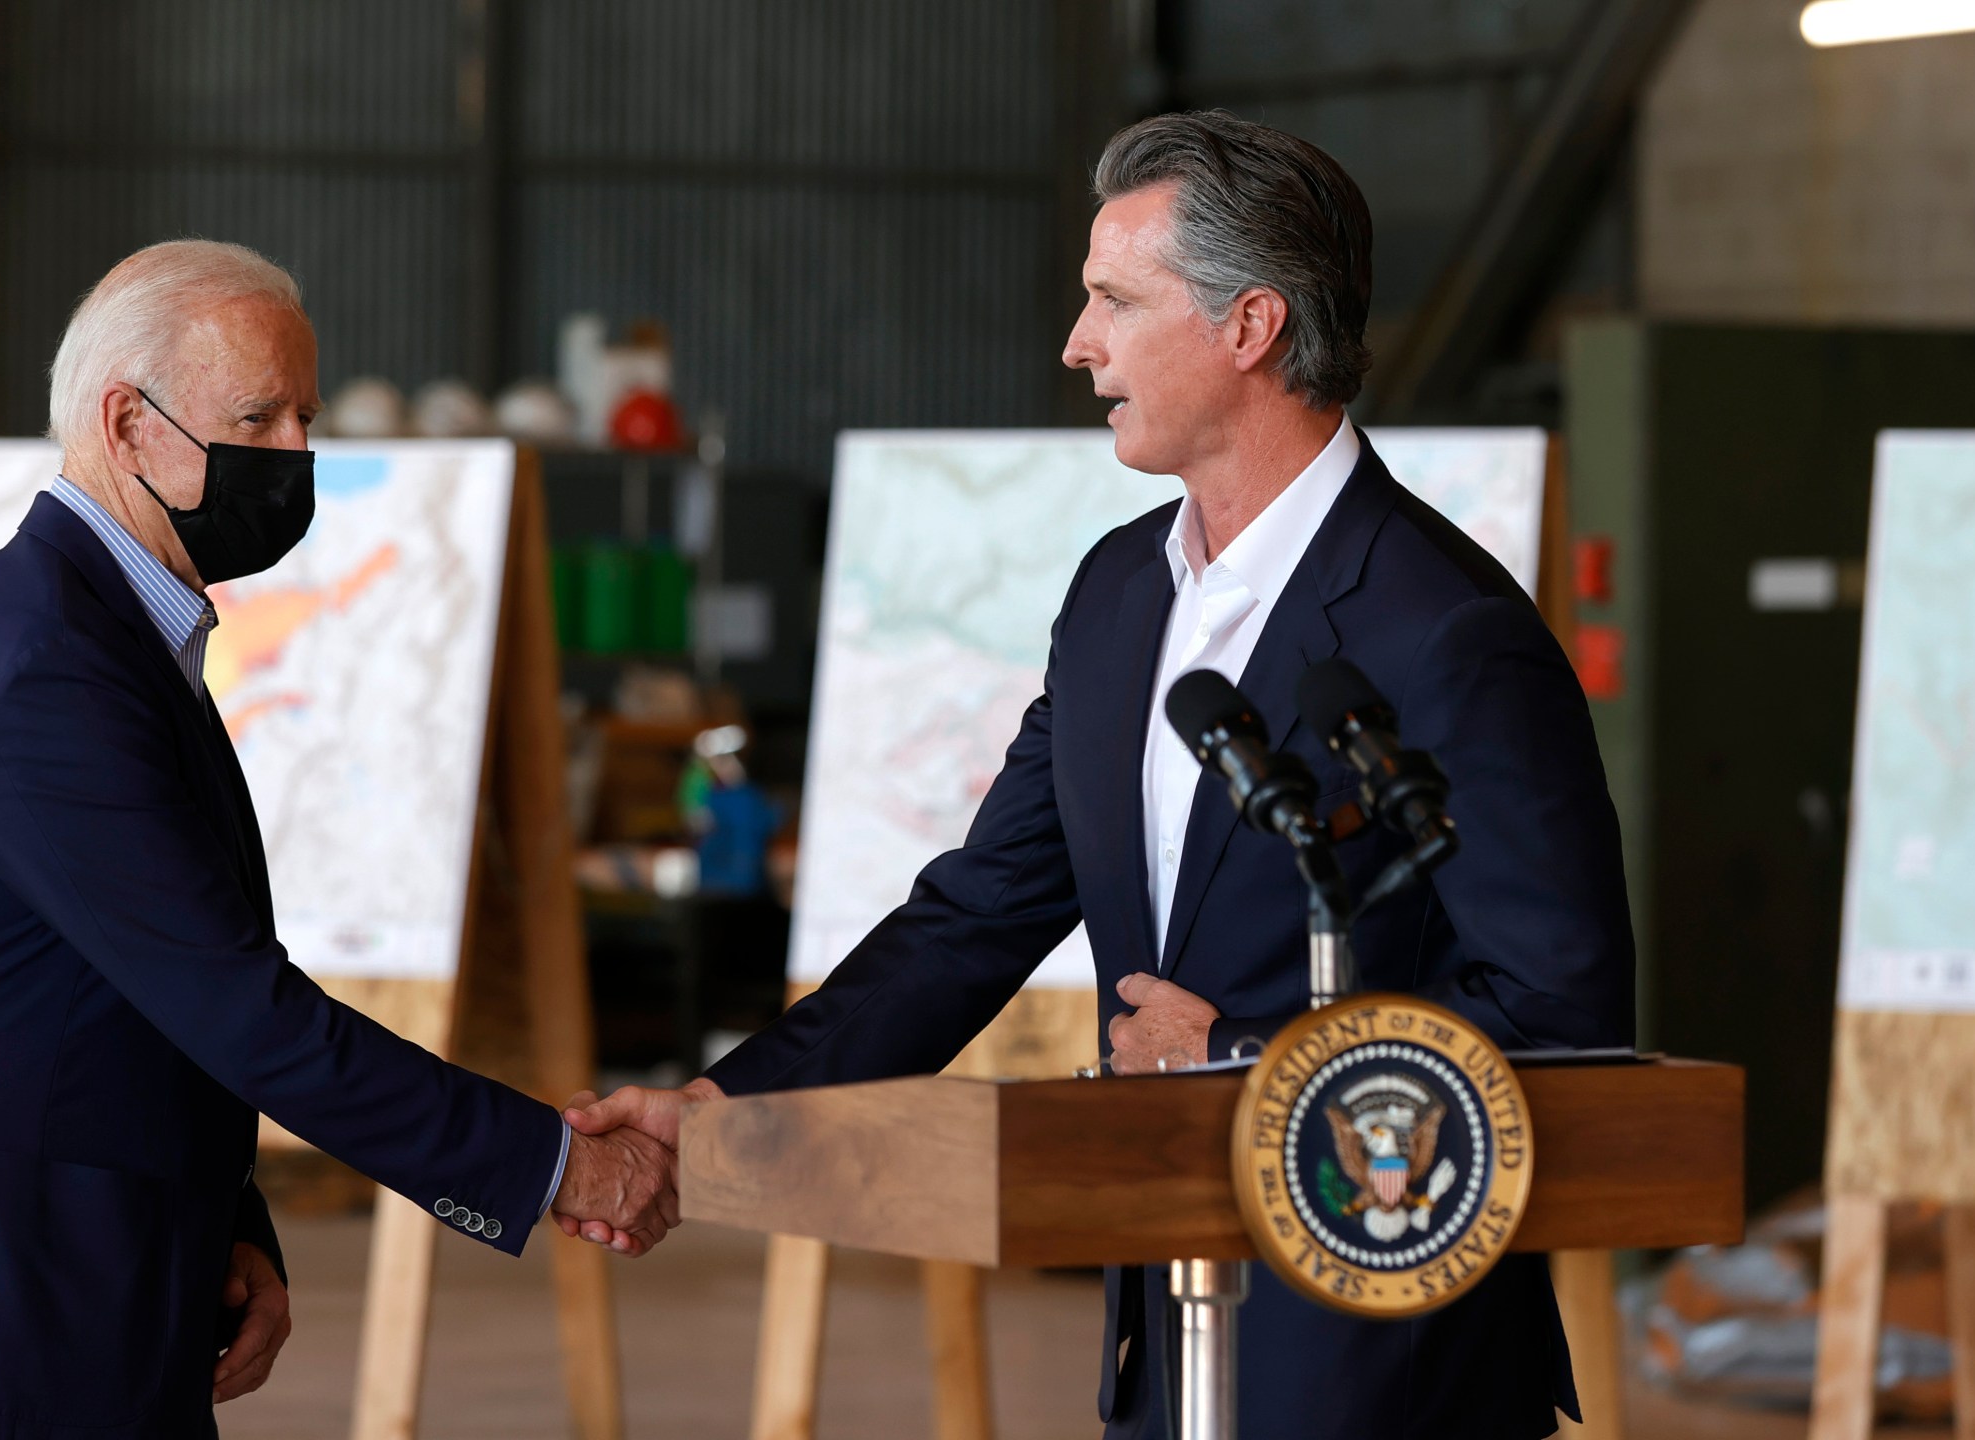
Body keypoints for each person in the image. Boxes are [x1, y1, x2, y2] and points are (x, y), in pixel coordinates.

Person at [564, 113, 1635, 1440]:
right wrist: (719, 1110)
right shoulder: (1122, 591)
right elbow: (981, 911)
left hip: (1383, 1357)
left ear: (1249, 327)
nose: (1079, 344)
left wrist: (1239, 1058)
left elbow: (1565, 1014)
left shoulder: (1447, 629)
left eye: (1114, 302)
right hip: (1168, 1325)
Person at [0, 240, 676, 1439]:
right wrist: (551, 1167)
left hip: (96, 1281)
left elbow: (128, 996)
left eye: (304, 415)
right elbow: (233, 1002)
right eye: (255, 416)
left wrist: (232, 1221)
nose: (295, 457)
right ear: (126, 423)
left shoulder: (109, 632)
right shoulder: (48, 664)